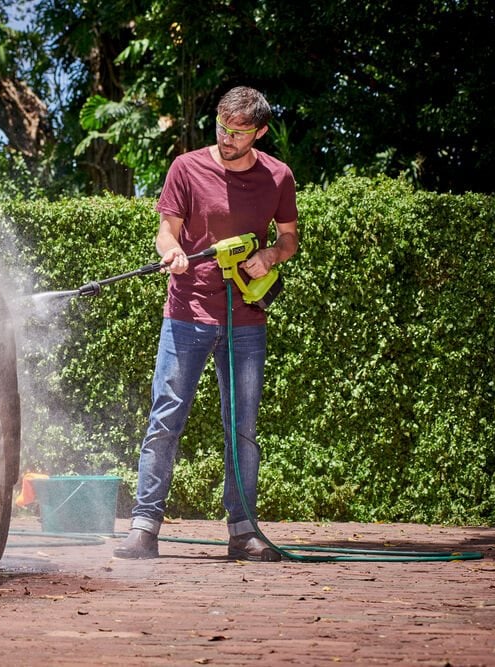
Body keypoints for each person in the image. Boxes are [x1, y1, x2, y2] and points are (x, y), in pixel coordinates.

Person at [113, 86, 299, 562]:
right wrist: (171, 252)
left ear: (259, 131)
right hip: (187, 312)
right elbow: (166, 231)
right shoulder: (186, 167)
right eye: (221, 127)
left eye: (238, 132)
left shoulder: (278, 177)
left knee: (242, 427)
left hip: (246, 319)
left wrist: (270, 255)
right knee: (166, 417)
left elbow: (289, 239)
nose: (227, 138)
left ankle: (243, 531)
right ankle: (144, 527)